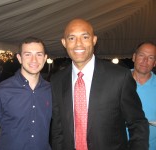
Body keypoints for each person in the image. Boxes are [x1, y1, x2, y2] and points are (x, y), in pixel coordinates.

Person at [50, 18, 149, 150]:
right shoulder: (57, 80)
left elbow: (137, 123)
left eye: (85, 37)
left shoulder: (120, 77)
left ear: (94, 40)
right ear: (64, 42)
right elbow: (58, 128)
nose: (78, 44)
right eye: (72, 38)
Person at [0, 37, 52, 150]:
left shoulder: (51, 90)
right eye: (28, 54)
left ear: (45, 58)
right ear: (19, 58)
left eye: (39, 54)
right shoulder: (1, 91)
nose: (34, 60)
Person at [132, 42, 156, 150]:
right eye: (141, 55)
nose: (145, 61)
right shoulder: (118, 81)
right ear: (134, 57)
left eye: (150, 57)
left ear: (154, 63)